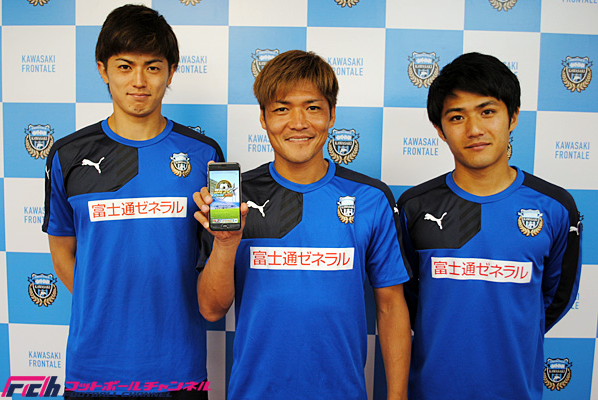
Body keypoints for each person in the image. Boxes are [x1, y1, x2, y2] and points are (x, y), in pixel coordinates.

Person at [193, 50, 412, 400]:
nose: (298, 123)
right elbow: (211, 309)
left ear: (332, 114)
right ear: (263, 118)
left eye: (312, 107)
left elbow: (390, 305)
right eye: (282, 109)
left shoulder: (371, 197)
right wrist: (226, 243)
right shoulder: (236, 198)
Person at [42, 4, 223, 398]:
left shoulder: (204, 155)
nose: (139, 81)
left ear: (171, 72)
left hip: (177, 368)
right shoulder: (68, 155)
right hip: (93, 369)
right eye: (125, 66)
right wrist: (104, 301)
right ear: (103, 69)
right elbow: (61, 252)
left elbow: (216, 260)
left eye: (152, 67)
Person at [396, 52, 582, 400]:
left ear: (513, 117)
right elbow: (407, 299)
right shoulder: (415, 207)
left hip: (515, 390)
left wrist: (514, 330)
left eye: (487, 112)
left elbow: (556, 297)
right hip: (433, 390)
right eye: (457, 117)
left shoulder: (555, 207)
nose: (474, 130)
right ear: (439, 130)